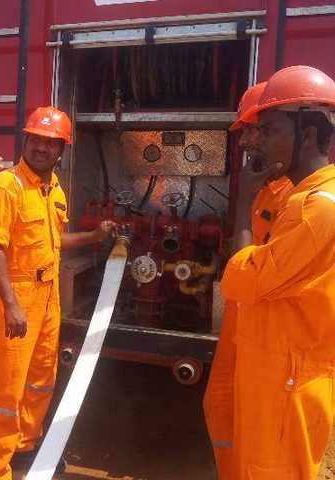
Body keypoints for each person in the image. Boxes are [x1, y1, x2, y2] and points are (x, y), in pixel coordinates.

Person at [0, 106, 115, 480]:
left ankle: (25, 447)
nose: (41, 147)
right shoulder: (7, 186)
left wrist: (93, 236)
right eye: (36, 139)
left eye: (50, 142)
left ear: (62, 149)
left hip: (47, 295)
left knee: (40, 379)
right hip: (15, 295)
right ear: (25, 140)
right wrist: (10, 305)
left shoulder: (52, 189)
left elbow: (54, 242)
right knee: (6, 390)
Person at [221, 65, 335, 480]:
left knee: (270, 469)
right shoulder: (305, 199)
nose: (259, 142)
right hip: (277, 367)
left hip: (286, 378)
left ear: (308, 134)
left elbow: (243, 280)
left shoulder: (315, 208)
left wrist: (243, 205)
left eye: (269, 131)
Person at [203, 82, 292, 479]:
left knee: (261, 431)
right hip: (240, 323)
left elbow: (248, 277)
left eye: (254, 132)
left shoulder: (295, 198)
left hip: (268, 336)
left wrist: (241, 203)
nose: (244, 143)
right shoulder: (264, 188)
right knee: (221, 407)